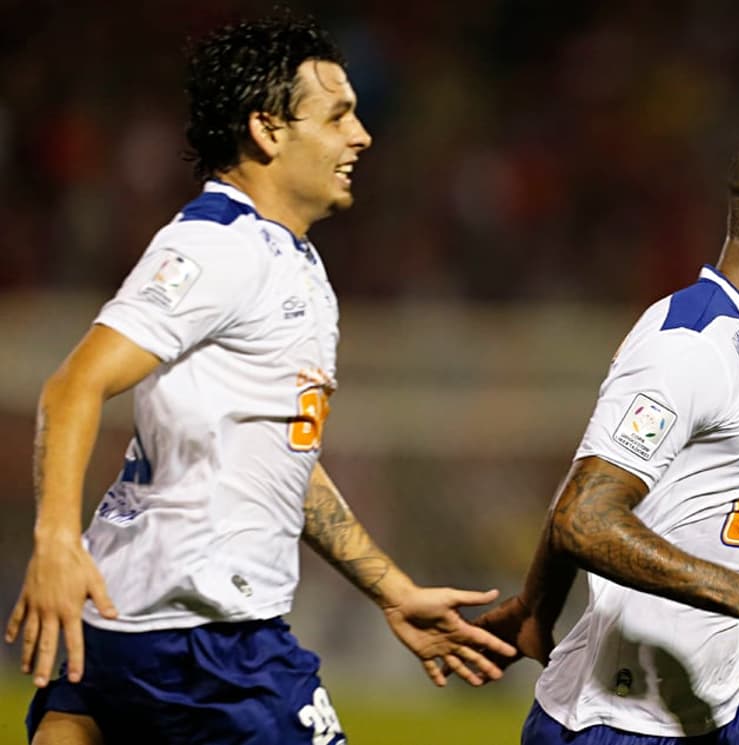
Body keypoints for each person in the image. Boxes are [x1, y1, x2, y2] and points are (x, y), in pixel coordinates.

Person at [4, 15, 515, 745]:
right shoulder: (217, 246)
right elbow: (73, 385)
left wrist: (391, 589)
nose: (361, 136)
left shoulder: (289, 264)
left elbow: (283, 464)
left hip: (139, 625)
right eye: (338, 115)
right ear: (268, 130)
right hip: (209, 641)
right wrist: (55, 542)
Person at [474, 116, 739, 744]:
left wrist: (538, 603)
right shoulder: (691, 345)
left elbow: (588, 480)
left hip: (735, 692)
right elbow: (585, 516)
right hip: (624, 720)